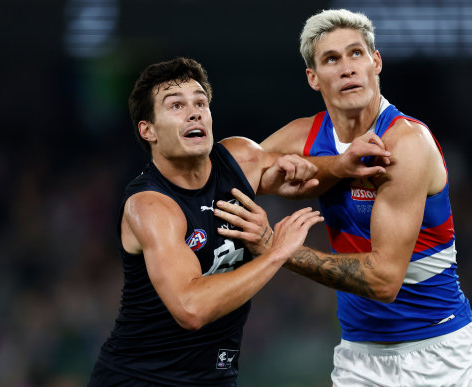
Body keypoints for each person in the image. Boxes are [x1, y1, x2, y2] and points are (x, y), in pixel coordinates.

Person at [216, 9, 472, 387]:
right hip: (359, 356)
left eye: (356, 54)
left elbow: (384, 281)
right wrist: (331, 168)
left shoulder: (403, 145)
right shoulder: (306, 136)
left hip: (438, 352)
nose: (347, 68)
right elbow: (224, 172)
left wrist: (278, 249)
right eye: (331, 59)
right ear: (313, 78)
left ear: (376, 62)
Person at [88, 57, 325, 386]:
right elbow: (191, 308)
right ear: (148, 130)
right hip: (141, 380)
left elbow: (305, 161)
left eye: (200, 102)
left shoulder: (237, 160)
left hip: (214, 378)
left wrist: (344, 163)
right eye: (176, 105)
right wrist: (275, 253)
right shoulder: (151, 205)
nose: (194, 111)